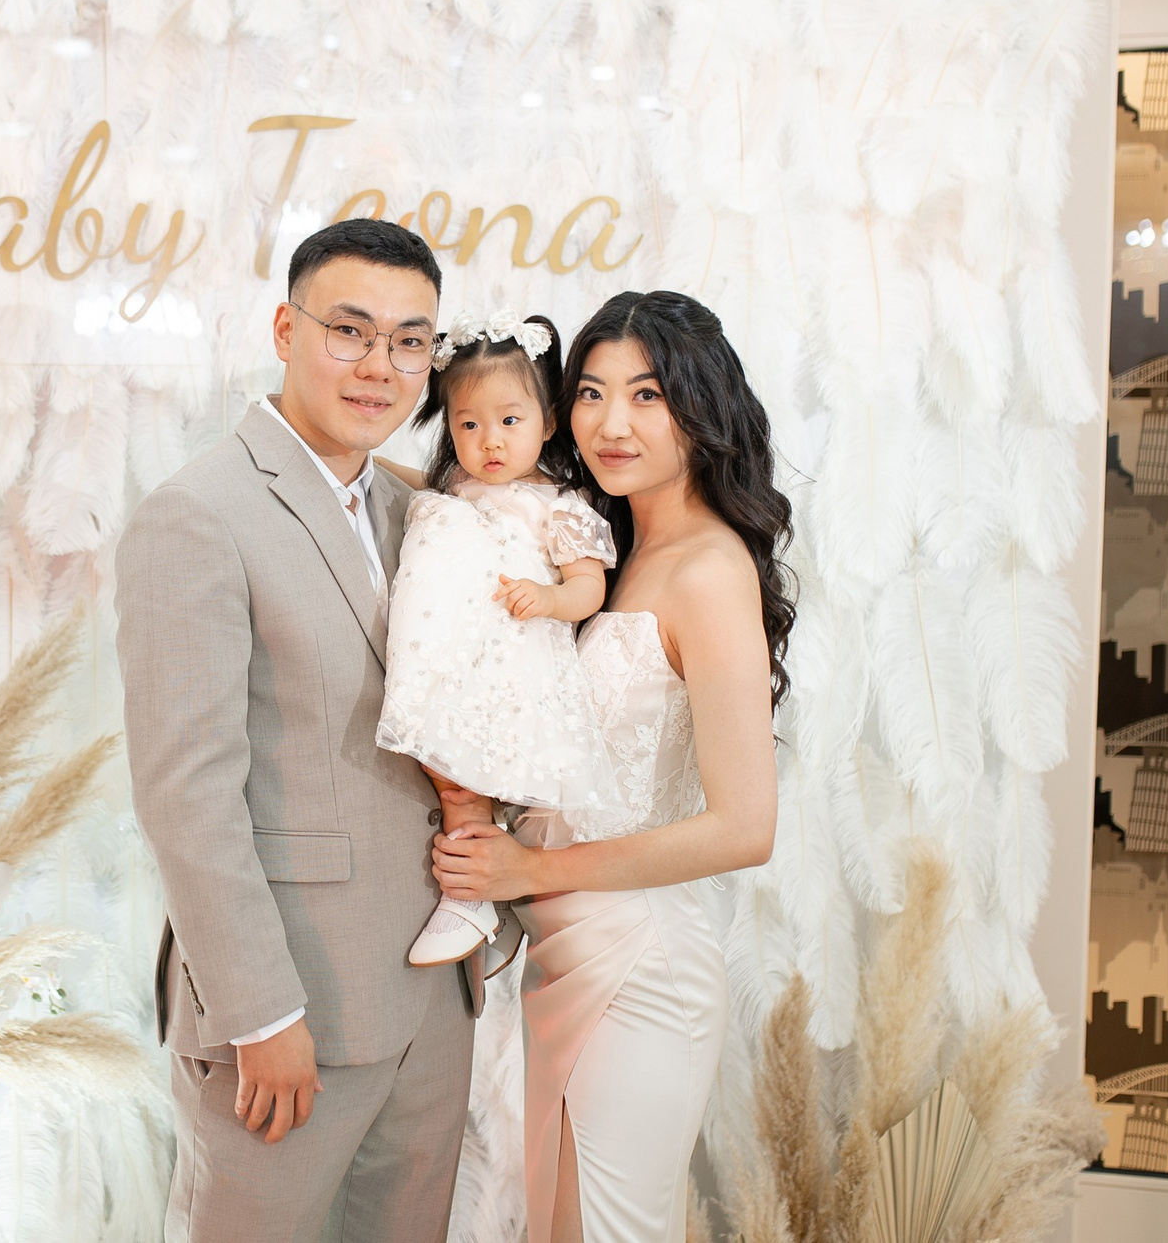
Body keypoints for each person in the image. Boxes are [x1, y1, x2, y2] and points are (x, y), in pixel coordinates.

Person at [114, 219, 517, 1243]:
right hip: (289, 1008)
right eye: (350, 330)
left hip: (432, 998)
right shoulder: (198, 514)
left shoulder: (419, 508)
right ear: (287, 330)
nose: (381, 366)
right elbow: (186, 794)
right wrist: (259, 1010)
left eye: (411, 341)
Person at [428, 290, 793, 1243]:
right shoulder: (617, 551)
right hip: (567, 953)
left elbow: (745, 827)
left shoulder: (709, 568)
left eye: (646, 394)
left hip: (640, 964)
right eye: (590, 393)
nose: (611, 423)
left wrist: (532, 868)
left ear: (702, 407)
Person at [374, 310, 624, 967]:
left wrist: (548, 598)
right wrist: (364, 461)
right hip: (456, 657)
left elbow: (589, 587)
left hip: (513, 662)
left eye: (510, 420)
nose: (489, 441)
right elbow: (418, 483)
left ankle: (470, 896)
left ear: (548, 421)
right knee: (442, 766)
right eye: (468, 425)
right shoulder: (460, 487)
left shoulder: (561, 505)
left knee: (461, 779)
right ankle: (485, 898)